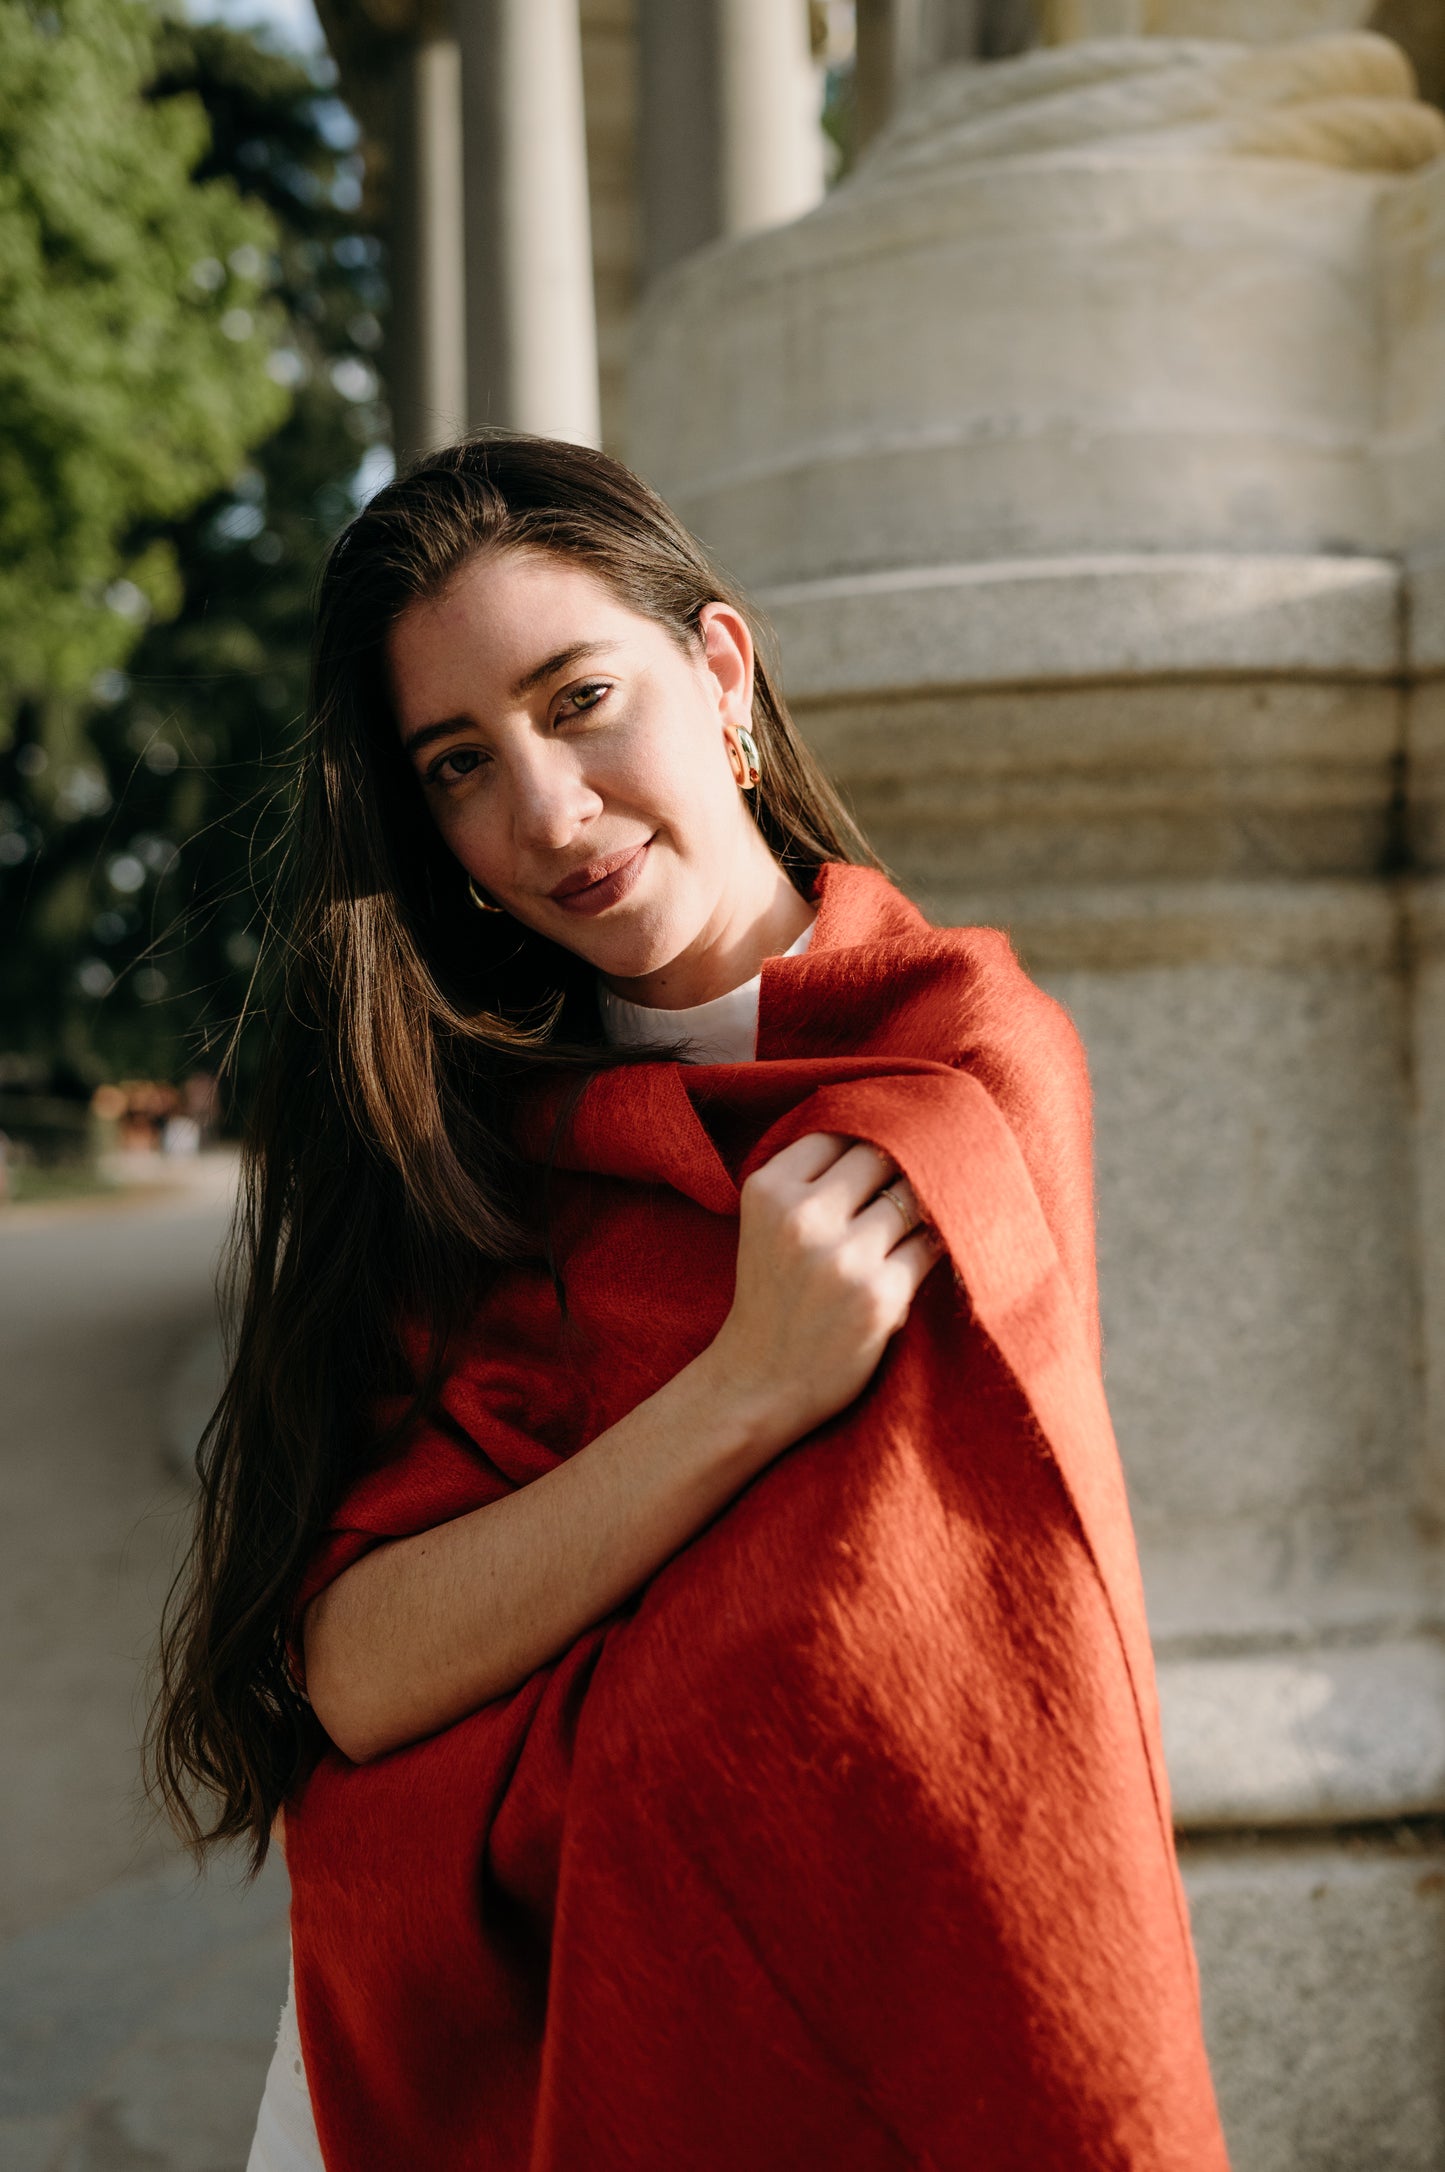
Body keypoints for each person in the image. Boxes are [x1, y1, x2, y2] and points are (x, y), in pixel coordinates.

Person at [150, 435, 1229, 2171]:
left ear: (719, 665)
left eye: (579, 698)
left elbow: (882, 1673)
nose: (547, 814)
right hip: (440, 2062)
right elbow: (349, 1671)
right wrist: (743, 1390)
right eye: (458, 764)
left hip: (820, 2018)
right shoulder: (464, 1138)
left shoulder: (951, 1073)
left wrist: (546, 1634)